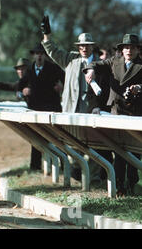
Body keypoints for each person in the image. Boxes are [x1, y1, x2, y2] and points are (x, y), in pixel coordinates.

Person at [40, 15, 112, 183]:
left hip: (92, 113)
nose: (84, 49)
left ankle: (93, 180)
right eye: (81, 46)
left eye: (86, 46)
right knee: (73, 147)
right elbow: (52, 51)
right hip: (71, 112)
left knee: (94, 148)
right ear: (78, 47)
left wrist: (100, 107)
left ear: (92, 47)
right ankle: (78, 178)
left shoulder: (101, 65)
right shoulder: (71, 60)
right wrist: (46, 35)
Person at [85, 33, 142, 196]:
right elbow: (96, 64)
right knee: (118, 151)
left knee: (133, 152)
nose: (129, 50)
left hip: (135, 114)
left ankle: (132, 185)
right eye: (126, 47)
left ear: (138, 49)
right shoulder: (114, 61)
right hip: (116, 112)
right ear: (122, 50)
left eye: (132, 47)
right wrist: (90, 70)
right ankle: (119, 186)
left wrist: (140, 88)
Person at [17, 43, 64, 170]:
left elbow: (66, 79)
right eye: (37, 54)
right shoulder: (30, 70)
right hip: (35, 109)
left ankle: (64, 167)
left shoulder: (53, 68)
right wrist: (23, 90)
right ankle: (35, 167)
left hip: (51, 108)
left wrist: (62, 87)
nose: (39, 56)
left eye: (42, 54)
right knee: (36, 138)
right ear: (33, 55)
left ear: (45, 55)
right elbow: (19, 85)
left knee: (57, 138)